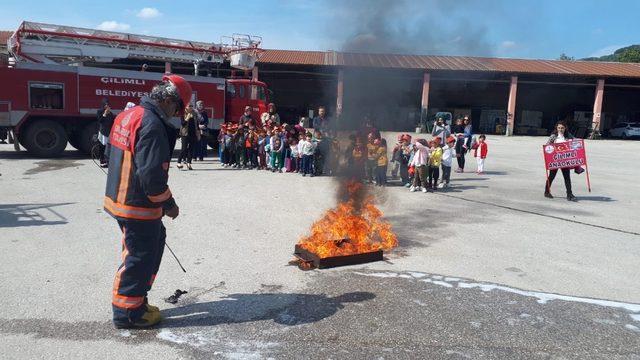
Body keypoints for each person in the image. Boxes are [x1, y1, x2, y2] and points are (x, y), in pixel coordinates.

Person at [104, 74, 190, 329]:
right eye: (176, 108)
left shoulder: (127, 115)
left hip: (121, 199)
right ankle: (128, 313)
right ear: (168, 100)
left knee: (151, 243)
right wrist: (169, 204)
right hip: (137, 204)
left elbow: (109, 153)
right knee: (140, 256)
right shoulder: (151, 124)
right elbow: (152, 177)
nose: (175, 113)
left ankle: (138, 297)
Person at [545, 121, 577, 201]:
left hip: (564, 160)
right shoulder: (553, 136)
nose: (560, 129)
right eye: (559, 128)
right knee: (551, 176)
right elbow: (547, 147)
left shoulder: (568, 135)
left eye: (562, 128)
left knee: (567, 177)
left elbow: (575, 142)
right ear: (556, 128)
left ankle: (569, 194)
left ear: (565, 128)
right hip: (555, 160)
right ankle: (547, 192)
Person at [176, 103, 200, 170]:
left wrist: (198, 133)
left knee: (191, 149)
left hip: (193, 133)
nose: (191, 107)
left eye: (192, 106)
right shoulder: (183, 114)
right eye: (189, 106)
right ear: (186, 107)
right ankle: (179, 162)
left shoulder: (194, 113)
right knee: (184, 149)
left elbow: (197, 124)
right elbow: (183, 124)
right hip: (185, 134)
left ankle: (189, 163)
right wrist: (187, 118)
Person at [97, 98, 115, 167]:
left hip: (109, 132)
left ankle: (107, 161)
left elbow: (112, 122)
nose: (107, 106)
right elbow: (100, 121)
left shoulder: (110, 113)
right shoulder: (99, 111)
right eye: (105, 104)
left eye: (107, 104)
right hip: (102, 132)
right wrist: (104, 114)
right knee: (102, 146)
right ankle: (102, 161)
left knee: (108, 147)